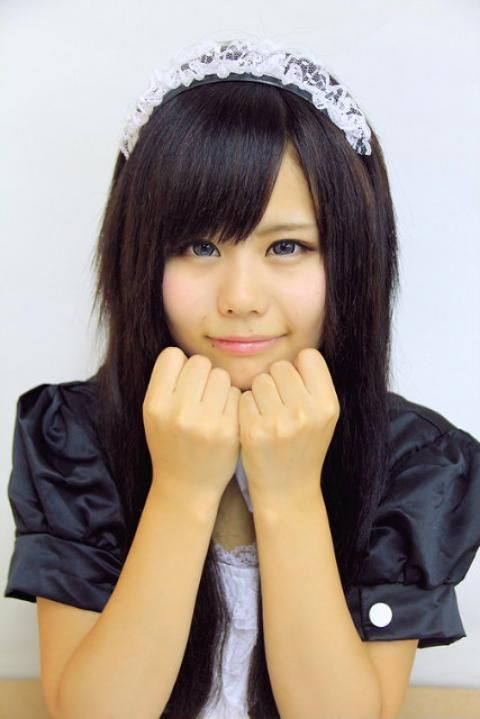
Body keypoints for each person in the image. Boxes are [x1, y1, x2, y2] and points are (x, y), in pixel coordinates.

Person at [4, 36, 480, 719]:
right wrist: (181, 489)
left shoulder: (417, 460)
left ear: (352, 258)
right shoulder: (74, 435)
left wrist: (289, 493)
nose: (240, 297)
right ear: (139, 257)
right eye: (199, 245)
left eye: (287, 245)